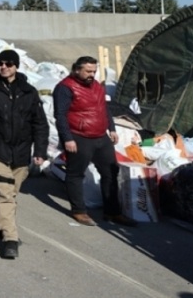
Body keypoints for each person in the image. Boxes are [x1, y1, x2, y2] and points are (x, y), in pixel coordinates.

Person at [0, 49, 48, 259]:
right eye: (0, 63)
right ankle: (10, 239)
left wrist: (40, 150)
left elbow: (39, 123)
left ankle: (1, 224)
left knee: (12, 193)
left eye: (8, 64)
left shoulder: (29, 92)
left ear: (16, 66)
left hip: (21, 152)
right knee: (4, 193)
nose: (3, 67)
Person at [54, 55, 137, 228]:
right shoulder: (65, 88)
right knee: (76, 174)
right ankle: (79, 211)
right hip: (79, 136)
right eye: (88, 71)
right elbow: (60, 115)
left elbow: (104, 108)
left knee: (110, 172)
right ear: (77, 70)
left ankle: (112, 212)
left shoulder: (97, 86)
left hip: (101, 137)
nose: (92, 74)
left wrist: (111, 128)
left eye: (94, 71)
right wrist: (67, 138)